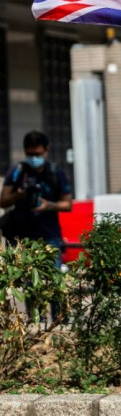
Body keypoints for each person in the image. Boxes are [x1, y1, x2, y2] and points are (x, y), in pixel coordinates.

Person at [0, 130, 72, 321]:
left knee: (54, 279)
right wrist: (20, 195)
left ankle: (59, 322)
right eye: (30, 154)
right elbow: (3, 200)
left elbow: (68, 204)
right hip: (23, 236)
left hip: (49, 235)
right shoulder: (17, 172)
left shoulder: (55, 172)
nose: (34, 158)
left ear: (46, 151)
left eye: (38, 154)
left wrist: (50, 205)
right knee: (31, 282)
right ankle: (36, 322)